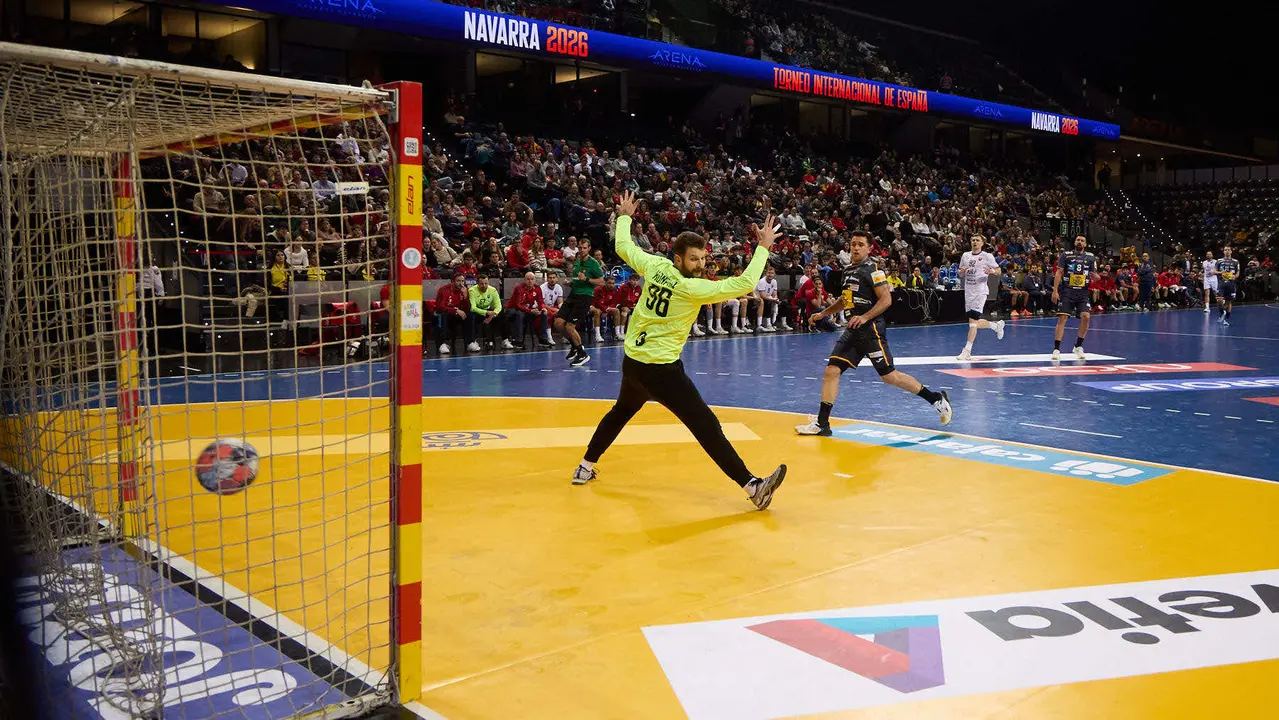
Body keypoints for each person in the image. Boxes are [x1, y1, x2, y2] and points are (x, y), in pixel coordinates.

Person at [575, 192, 788, 511]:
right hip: (661, 371)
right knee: (706, 425)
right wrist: (763, 247)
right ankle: (753, 486)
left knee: (621, 411)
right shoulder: (692, 288)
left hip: (634, 363)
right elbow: (744, 285)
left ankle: (585, 466)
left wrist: (623, 216)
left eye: (703, 258)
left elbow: (623, 247)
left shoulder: (655, 265)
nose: (701, 264)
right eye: (694, 259)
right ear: (678, 259)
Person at [795, 231, 953, 437]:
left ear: (869, 249)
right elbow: (845, 300)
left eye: (861, 244)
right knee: (831, 371)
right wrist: (823, 313)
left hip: (871, 331)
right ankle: (822, 424)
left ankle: (936, 399)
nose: (856, 247)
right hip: (852, 332)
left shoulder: (874, 270)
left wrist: (865, 317)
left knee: (890, 376)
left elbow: (886, 300)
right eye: (853, 244)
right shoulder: (848, 271)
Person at [554, 238, 603, 366]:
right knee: (558, 323)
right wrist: (570, 283)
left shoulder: (593, 263)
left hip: (584, 297)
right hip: (573, 294)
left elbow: (600, 281)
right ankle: (574, 346)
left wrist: (586, 279)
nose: (581, 250)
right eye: (580, 248)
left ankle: (582, 354)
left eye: (584, 248)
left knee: (570, 326)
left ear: (589, 249)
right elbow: (577, 280)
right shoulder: (577, 261)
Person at [956, 235, 1004, 360]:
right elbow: (960, 271)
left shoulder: (987, 256)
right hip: (969, 292)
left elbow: (998, 270)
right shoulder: (965, 255)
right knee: (974, 322)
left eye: (977, 240)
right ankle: (996, 326)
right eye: (973, 240)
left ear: (982, 243)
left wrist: (992, 272)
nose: (975, 242)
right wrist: (962, 272)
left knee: (972, 322)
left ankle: (967, 350)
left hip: (980, 292)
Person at [1051, 235, 1096, 360]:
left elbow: (1094, 275)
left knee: (1086, 316)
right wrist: (1055, 291)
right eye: (1078, 240)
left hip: (1083, 292)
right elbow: (1059, 272)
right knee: (1062, 318)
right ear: (1074, 242)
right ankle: (1056, 349)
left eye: (1082, 240)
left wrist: (1097, 278)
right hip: (1067, 291)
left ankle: (1078, 346)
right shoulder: (1066, 255)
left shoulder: (1091, 257)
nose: (1080, 242)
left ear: (1085, 244)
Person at [1216, 246, 1241, 326]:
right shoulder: (1219, 261)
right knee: (1219, 301)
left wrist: (1235, 276)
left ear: (1231, 251)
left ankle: (1226, 319)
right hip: (1221, 283)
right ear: (1223, 251)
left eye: (1228, 250)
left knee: (1229, 302)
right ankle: (1222, 312)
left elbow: (1237, 273)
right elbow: (1214, 271)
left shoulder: (1236, 261)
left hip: (1231, 284)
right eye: (1225, 250)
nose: (1227, 251)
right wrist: (1221, 272)